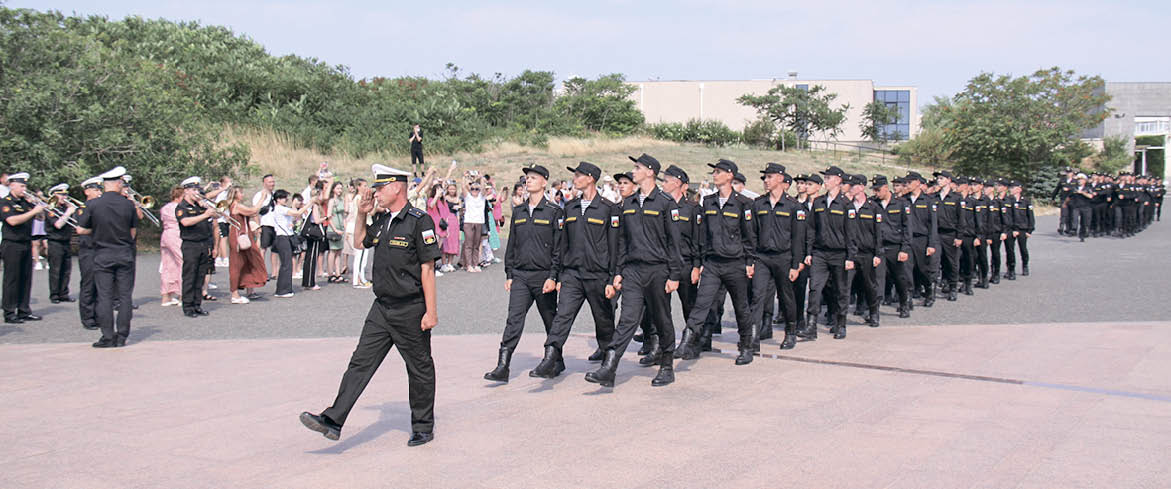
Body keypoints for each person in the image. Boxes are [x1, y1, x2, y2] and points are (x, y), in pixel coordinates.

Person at [301, 163, 440, 447]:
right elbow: (361, 241)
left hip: (410, 308)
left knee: (419, 368)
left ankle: (423, 427)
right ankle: (333, 419)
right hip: (382, 308)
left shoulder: (418, 221)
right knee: (359, 364)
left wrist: (431, 311)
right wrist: (363, 214)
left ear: (396, 187)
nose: (375, 193)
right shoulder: (384, 220)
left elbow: (427, 269)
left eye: (379, 188)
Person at [586, 154, 682, 388]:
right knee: (627, 319)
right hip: (633, 271)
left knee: (662, 318)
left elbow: (674, 242)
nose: (633, 171)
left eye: (637, 168)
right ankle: (610, 367)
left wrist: (674, 275)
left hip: (658, 270)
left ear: (650, 172)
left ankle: (667, 365)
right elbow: (622, 242)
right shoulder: (627, 204)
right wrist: (618, 271)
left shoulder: (665, 203)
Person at [535, 161, 617, 376]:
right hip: (572, 274)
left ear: (591, 178)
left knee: (604, 320)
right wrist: (556, 274)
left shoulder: (609, 209)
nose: (575, 178)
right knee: (562, 316)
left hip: (598, 275)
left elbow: (615, 247)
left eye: (579, 175)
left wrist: (612, 279)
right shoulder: (569, 207)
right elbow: (562, 244)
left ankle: (609, 364)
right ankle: (550, 357)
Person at [484, 164, 563, 383]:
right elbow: (513, 245)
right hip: (520, 275)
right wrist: (509, 273)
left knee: (550, 319)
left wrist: (554, 276)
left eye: (534, 178)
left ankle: (556, 359)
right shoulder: (518, 211)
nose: (528, 181)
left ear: (544, 182)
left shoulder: (554, 211)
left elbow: (559, 247)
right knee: (514, 319)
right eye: (527, 178)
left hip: (543, 275)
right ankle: (503, 366)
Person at [675, 159, 757, 363]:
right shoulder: (709, 201)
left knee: (741, 307)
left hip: (735, 263)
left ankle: (746, 346)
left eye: (719, 172)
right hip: (712, 263)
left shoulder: (744, 203)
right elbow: (703, 234)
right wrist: (700, 261)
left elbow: (749, 236)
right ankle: (687, 341)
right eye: (714, 172)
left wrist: (749, 262)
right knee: (701, 305)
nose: (715, 175)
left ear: (730, 175)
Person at [76, 167, 138, 347]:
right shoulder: (128, 204)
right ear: (118, 183)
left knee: (104, 296)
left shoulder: (93, 204)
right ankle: (122, 335)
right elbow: (132, 232)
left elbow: (81, 229)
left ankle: (108, 336)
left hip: (102, 253)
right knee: (125, 296)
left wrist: (97, 232)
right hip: (124, 253)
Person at [748, 164, 806, 350]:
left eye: (770, 177)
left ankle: (790, 332)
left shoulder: (793, 206)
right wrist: (751, 260)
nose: (766, 181)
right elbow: (752, 235)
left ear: (781, 179)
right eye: (765, 178)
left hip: (784, 257)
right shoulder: (758, 204)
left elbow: (798, 238)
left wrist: (796, 265)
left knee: (786, 296)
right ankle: (754, 337)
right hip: (762, 257)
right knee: (757, 295)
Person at [797, 166, 856, 341]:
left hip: (840, 254)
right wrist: (809, 252)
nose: (826, 181)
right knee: (815, 289)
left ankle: (840, 323)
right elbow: (811, 229)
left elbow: (852, 233)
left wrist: (851, 257)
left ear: (838, 180)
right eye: (826, 178)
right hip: (820, 253)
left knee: (840, 290)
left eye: (829, 178)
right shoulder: (819, 202)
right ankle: (811, 326)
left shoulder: (846, 204)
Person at [0, 172, 45, 323]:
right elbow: (12, 221)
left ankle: (24, 310)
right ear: (12, 185)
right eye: (21, 185)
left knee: (26, 278)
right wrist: (33, 211)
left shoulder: (26, 202)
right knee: (12, 279)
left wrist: (37, 205)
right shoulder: (5, 202)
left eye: (25, 186)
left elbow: (40, 217)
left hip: (26, 242)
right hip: (11, 244)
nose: (24, 189)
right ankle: (9, 312)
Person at [873, 176, 914, 318]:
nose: (876, 193)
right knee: (878, 280)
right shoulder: (873, 204)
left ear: (885, 188)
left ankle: (904, 304)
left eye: (878, 190)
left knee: (900, 278)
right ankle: (875, 311)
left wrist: (904, 249)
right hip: (879, 247)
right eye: (874, 190)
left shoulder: (901, 204)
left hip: (896, 247)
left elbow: (907, 228)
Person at [176, 177, 216, 318]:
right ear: (186, 191)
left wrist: (208, 208)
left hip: (204, 243)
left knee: (200, 276)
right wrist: (204, 215)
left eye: (197, 190)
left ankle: (197, 304)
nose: (196, 192)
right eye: (193, 190)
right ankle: (187, 306)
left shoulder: (200, 206)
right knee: (190, 276)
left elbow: (215, 215)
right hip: (190, 244)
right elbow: (185, 222)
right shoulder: (182, 207)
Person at [224, 187, 268, 303]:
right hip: (239, 236)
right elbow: (253, 211)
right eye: (241, 192)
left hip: (244, 234)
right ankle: (234, 294)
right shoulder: (237, 206)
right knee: (237, 264)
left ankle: (250, 288)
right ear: (235, 194)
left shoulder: (235, 205)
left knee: (250, 261)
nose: (242, 195)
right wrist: (262, 198)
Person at [269, 190, 311, 297]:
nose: (286, 199)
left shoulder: (283, 209)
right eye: (284, 197)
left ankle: (285, 288)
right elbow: (297, 213)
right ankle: (282, 290)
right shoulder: (279, 208)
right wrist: (310, 203)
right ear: (278, 199)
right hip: (282, 237)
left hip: (286, 236)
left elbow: (295, 217)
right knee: (286, 263)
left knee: (287, 263)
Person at [44, 184, 78, 303]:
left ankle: (64, 293)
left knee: (66, 269)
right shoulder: (50, 209)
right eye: (61, 194)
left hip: (66, 242)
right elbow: (58, 225)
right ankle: (54, 295)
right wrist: (69, 212)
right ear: (54, 195)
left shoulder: (64, 209)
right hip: (55, 242)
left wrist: (70, 210)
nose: (65, 197)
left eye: (66, 194)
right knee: (56, 270)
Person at [159, 186, 184, 307]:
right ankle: (182, 295)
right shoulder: (179, 208)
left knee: (167, 265)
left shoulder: (165, 208)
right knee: (183, 263)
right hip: (176, 234)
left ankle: (166, 296)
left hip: (166, 235)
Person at [1005, 181, 1034, 278]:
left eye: (1013, 187)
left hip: (1023, 229)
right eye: (1010, 187)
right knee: (1009, 250)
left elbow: (1030, 217)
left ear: (1019, 189)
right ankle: (1011, 269)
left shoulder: (1025, 201)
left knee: (1023, 249)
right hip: (1011, 229)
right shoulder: (1007, 200)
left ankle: (1025, 265)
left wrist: (1030, 230)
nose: (1011, 189)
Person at [252, 174, 278, 279]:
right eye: (269, 182)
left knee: (275, 250)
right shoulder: (259, 195)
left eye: (273, 182)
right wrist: (258, 226)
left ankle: (275, 272)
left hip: (276, 225)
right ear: (264, 183)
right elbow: (255, 212)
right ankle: (262, 271)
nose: (272, 184)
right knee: (263, 248)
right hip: (265, 224)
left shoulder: (275, 194)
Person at [461, 175, 487, 272]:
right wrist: (464, 177)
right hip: (469, 221)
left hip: (479, 222)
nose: (474, 190)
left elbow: (484, 188)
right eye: (472, 189)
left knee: (476, 244)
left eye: (477, 189)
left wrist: (481, 178)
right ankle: (468, 265)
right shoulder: (468, 197)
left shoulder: (482, 197)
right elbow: (463, 187)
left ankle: (475, 264)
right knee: (469, 244)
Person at [325, 181, 347, 282]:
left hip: (340, 227)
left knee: (339, 251)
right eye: (338, 188)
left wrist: (344, 227)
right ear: (333, 189)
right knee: (332, 251)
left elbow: (343, 215)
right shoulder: (331, 201)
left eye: (341, 188)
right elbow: (328, 217)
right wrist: (335, 229)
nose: (340, 190)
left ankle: (338, 273)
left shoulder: (341, 200)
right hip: (333, 227)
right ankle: (330, 273)